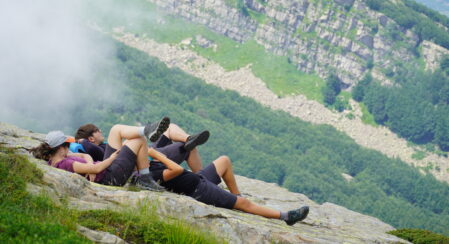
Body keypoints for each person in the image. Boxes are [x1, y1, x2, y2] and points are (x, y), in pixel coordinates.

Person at [150, 153, 310, 225]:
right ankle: (286, 217)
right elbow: (176, 170)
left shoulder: (149, 163)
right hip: (199, 190)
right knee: (245, 203)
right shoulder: (150, 172)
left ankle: (236, 198)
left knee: (224, 161)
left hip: (199, 179)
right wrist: (156, 154)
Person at [30, 118, 175, 191]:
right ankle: (144, 178)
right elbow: (96, 170)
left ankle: (148, 129)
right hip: (110, 177)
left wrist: (87, 164)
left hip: (107, 171)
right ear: (61, 147)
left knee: (116, 129)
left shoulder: (60, 158)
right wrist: (110, 159)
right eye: (67, 145)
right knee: (139, 140)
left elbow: (84, 157)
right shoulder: (65, 163)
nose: (69, 148)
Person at [73, 122, 209, 172]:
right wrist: (81, 141)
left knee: (170, 127)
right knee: (186, 148)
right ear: (90, 138)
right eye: (97, 130)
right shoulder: (97, 151)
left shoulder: (102, 146)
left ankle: (189, 138)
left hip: (146, 149)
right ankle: (202, 177)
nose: (100, 131)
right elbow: (89, 148)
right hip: (147, 157)